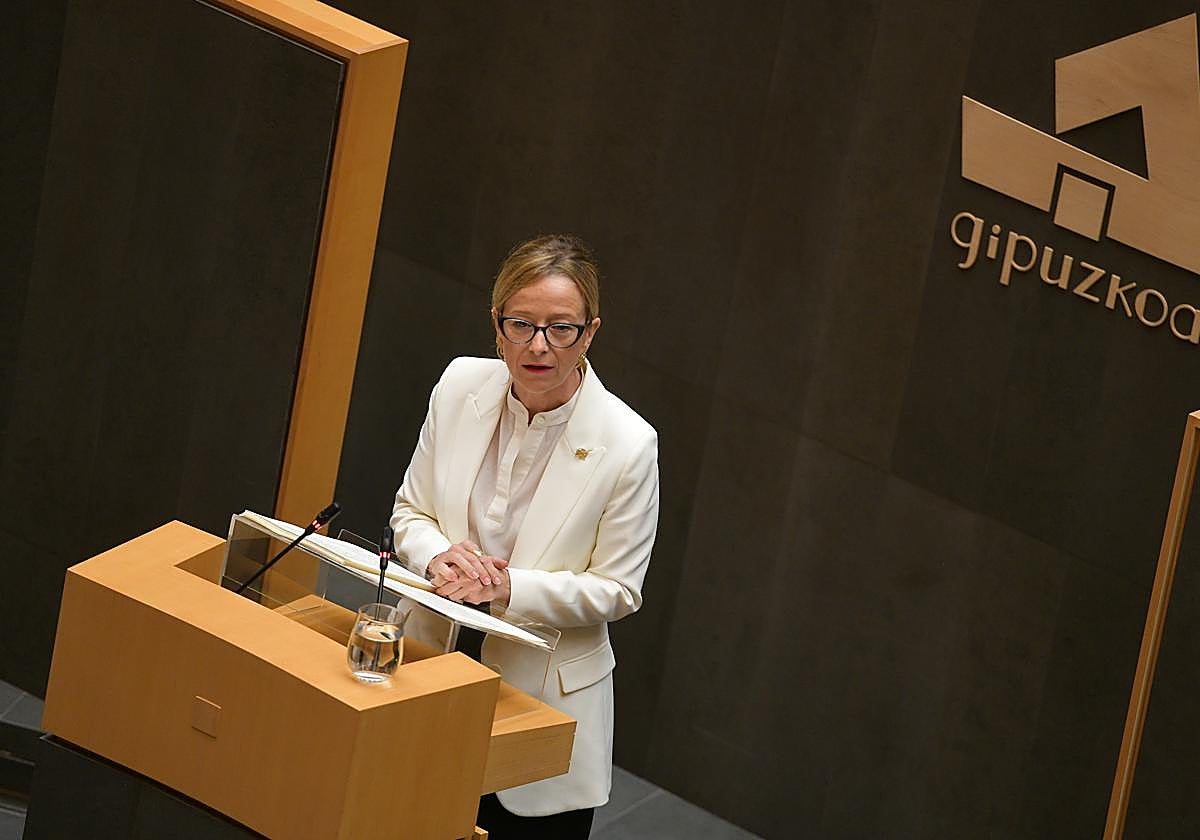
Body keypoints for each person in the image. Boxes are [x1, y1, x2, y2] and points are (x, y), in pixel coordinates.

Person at [389, 234, 659, 838]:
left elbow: (618, 590)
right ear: (497, 325)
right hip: (432, 664)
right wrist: (440, 558)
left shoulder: (628, 442)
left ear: (590, 333)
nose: (539, 345)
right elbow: (411, 513)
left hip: (540, 702)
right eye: (522, 324)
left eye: (560, 328)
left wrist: (506, 588)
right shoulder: (459, 386)